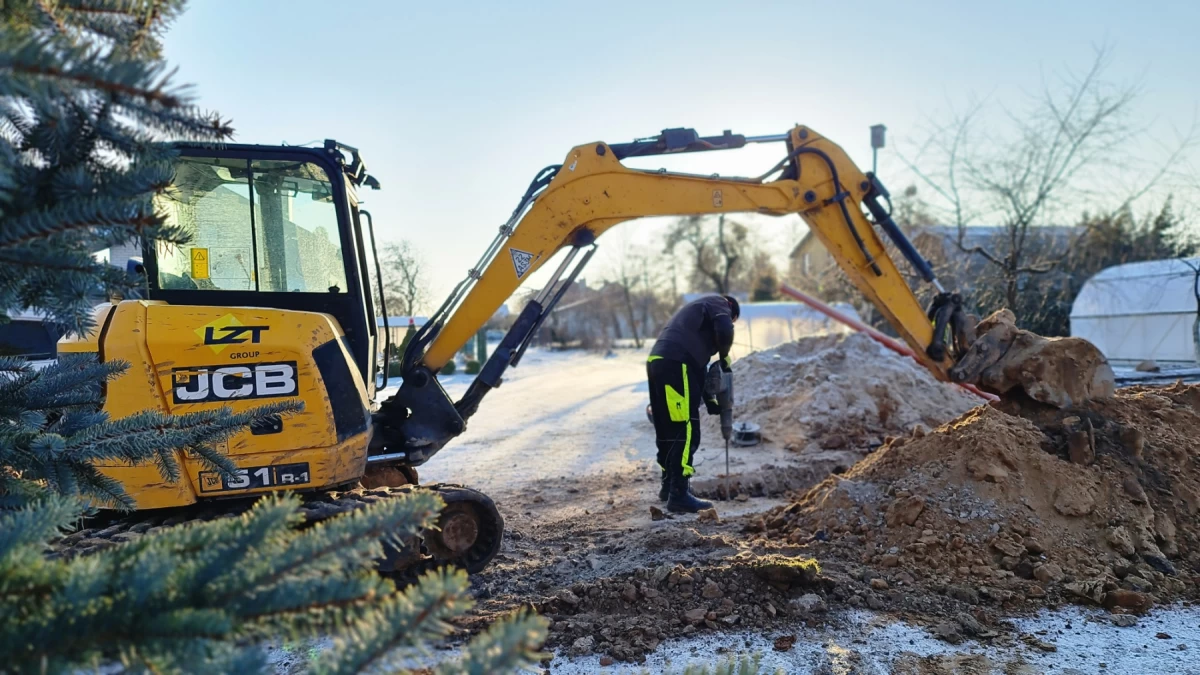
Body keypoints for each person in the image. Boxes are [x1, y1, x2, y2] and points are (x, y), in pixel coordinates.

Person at [646, 294, 740, 513]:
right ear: (732, 311)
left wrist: (709, 402)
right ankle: (679, 495)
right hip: (678, 361)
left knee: (667, 426)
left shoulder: (692, 321)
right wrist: (725, 356)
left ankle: (668, 486)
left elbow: (699, 375)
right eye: (732, 319)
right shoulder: (719, 303)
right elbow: (725, 329)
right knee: (685, 428)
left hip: (658, 361)